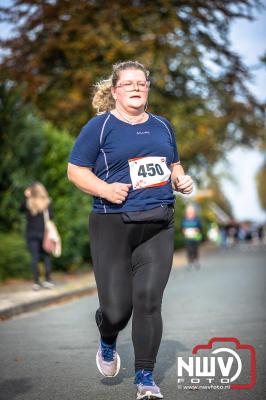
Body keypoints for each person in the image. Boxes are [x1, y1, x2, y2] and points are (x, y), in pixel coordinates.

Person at [67, 60, 193, 399]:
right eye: (128, 84)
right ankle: (108, 336)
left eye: (142, 83)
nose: (136, 88)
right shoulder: (100, 127)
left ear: (148, 88)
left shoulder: (163, 126)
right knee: (117, 310)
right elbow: (75, 171)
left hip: (158, 224)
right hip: (112, 225)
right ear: (115, 90)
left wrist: (181, 179)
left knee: (149, 301)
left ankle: (145, 379)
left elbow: (173, 163)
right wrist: (105, 189)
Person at [20, 182, 55, 291]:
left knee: (34, 257)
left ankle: (36, 282)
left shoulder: (29, 202)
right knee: (46, 257)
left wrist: (26, 196)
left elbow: (20, 209)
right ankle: (47, 280)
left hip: (31, 234)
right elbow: (51, 216)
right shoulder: (47, 202)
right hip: (44, 234)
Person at [181, 204, 202, 270]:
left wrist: (197, 230)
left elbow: (200, 228)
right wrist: (184, 231)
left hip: (195, 238)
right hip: (188, 238)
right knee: (189, 250)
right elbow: (182, 228)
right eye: (189, 212)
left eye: (191, 212)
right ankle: (190, 263)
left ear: (194, 212)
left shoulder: (197, 219)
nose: (190, 213)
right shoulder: (185, 219)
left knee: (195, 250)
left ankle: (196, 261)